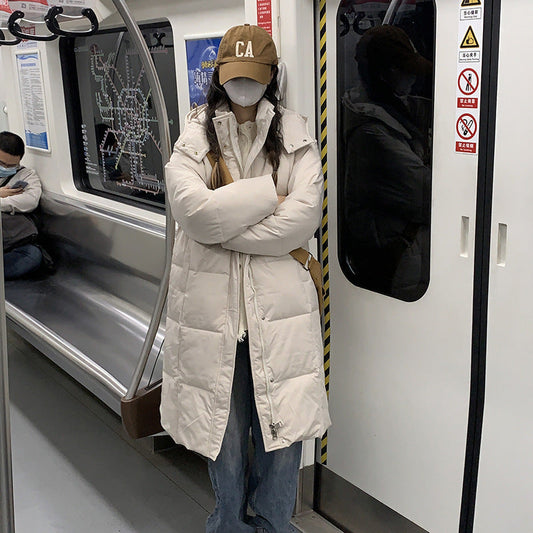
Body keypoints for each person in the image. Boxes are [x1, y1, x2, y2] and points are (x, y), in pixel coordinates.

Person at [161, 24, 331, 533]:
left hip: (279, 313)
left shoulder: (296, 134)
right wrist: (265, 199)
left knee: (283, 436)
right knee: (225, 434)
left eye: (254, 76)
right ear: (219, 77)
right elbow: (193, 213)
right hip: (213, 313)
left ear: (271, 77)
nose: (243, 87)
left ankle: (275, 525)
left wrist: (223, 225)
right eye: (234, 76)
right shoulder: (195, 134)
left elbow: (302, 219)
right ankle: (229, 526)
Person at [341, 25, 432, 300]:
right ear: (385, 74)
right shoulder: (372, 134)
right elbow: (426, 195)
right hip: (394, 258)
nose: (413, 78)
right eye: (406, 70)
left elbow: (417, 109)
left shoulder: (392, 108)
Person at [0, 131, 42, 279]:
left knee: (32, 255)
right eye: (1, 163)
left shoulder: (26, 175)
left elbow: (30, 201)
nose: (5, 168)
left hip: (10, 240)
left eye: (11, 165)